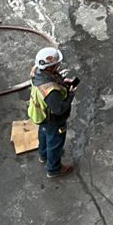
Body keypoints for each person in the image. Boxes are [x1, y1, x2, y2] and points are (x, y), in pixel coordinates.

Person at [27, 46, 77, 179]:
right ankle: (54, 169)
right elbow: (59, 109)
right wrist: (71, 94)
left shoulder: (37, 72)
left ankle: (43, 155)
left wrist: (62, 83)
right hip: (53, 119)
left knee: (44, 134)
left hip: (41, 115)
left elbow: (50, 82)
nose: (59, 65)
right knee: (55, 142)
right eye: (56, 64)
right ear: (51, 67)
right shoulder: (51, 91)